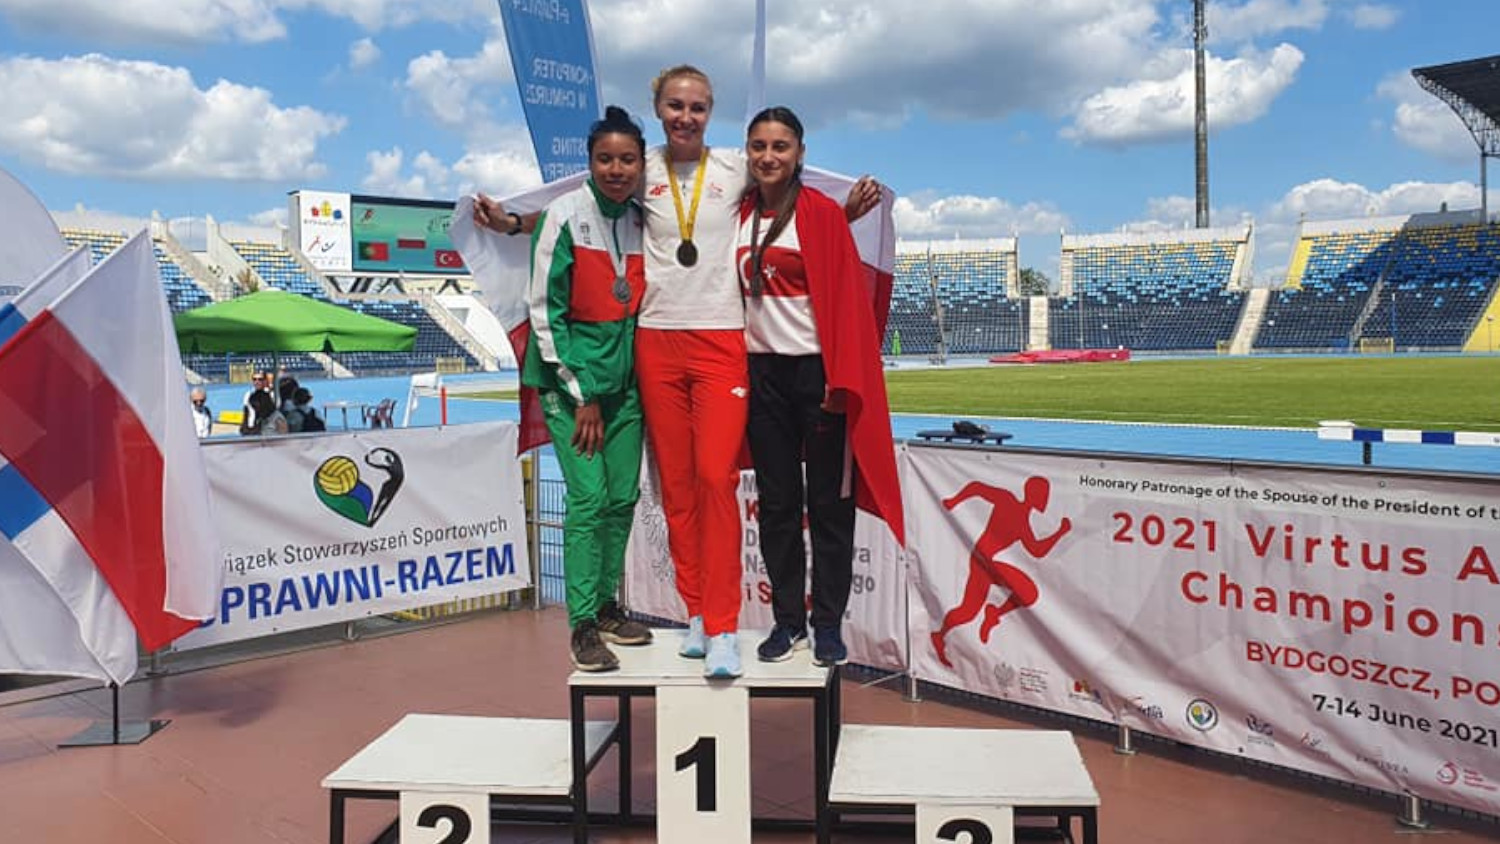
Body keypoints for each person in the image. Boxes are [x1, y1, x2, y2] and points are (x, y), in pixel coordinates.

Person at [475, 66, 881, 679]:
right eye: (675, 106)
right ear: (659, 109)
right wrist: (511, 223)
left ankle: (724, 625)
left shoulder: (736, 167)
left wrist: (843, 215)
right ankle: (695, 614)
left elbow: (793, 196)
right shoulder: (639, 169)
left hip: (721, 343)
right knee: (677, 490)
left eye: (697, 107)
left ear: (710, 112)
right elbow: (579, 207)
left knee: (717, 480)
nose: (685, 117)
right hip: (656, 346)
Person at [735, 107, 905, 667]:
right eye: (759, 146)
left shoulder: (822, 214)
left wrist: (842, 376)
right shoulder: (737, 215)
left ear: (800, 153)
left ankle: (828, 624)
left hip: (817, 374)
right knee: (777, 505)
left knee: (831, 505)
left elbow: (848, 302)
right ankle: (788, 622)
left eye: (780, 146)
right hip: (762, 376)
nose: (768, 156)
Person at [526, 105, 655, 672]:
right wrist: (583, 395)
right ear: (590, 162)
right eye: (605, 159)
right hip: (573, 387)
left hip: (626, 388)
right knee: (589, 499)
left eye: (627, 160)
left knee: (623, 498)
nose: (616, 169)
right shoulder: (563, 217)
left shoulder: (640, 221)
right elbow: (544, 311)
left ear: (641, 165)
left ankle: (605, 606)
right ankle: (581, 623)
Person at [930, 477, 1071, 668]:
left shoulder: (1023, 523)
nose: (1045, 499)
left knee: (1028, 592)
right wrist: (954, 501)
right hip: (981, 562)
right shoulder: (1007, 499)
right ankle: (939, 636)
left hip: (993, 565)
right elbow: (977, 487)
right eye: (1043, 494)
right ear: (1033, 494)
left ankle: (994, 613)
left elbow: (1036, 550)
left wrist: (1060, 532)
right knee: (968, 612)